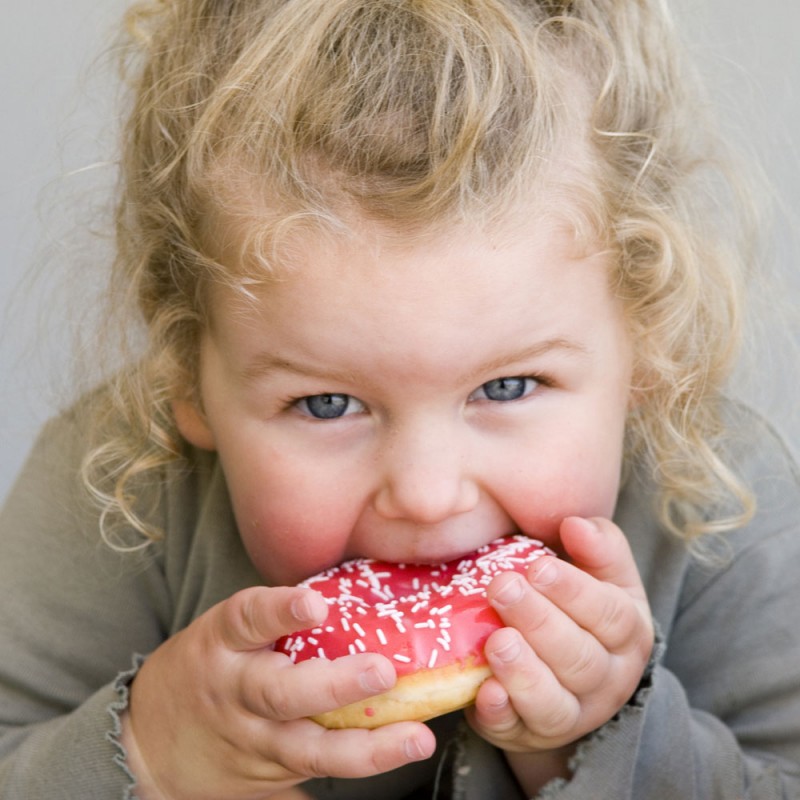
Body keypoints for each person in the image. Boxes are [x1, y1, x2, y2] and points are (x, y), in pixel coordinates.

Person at [1, 0, 798, 797]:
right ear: (187, 377)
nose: (425, 494)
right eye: (326, 405)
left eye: (508, 387)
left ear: (647, 346)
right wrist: (155, 750)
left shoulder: (719, 502)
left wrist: (596, 741)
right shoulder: (115, 485)